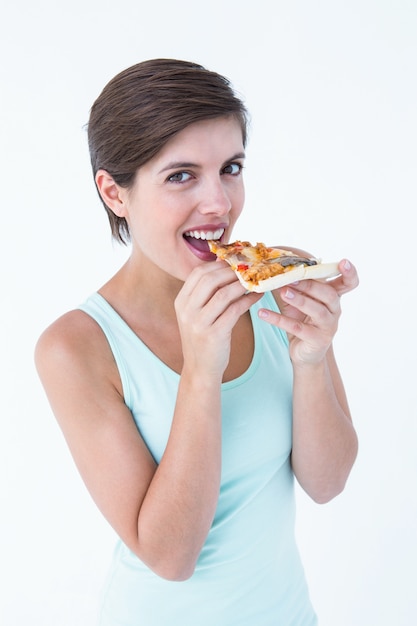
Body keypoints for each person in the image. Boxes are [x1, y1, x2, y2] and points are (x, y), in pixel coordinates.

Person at [35, 58, 359, 626]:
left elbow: (327, 484)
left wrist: (311, 359)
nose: (219, 204)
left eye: (230, 168)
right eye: (181, 175)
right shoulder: (76, 347)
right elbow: (169, 556)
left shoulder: (274, 287)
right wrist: (201, 371)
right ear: (114, 193)